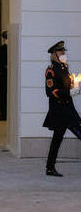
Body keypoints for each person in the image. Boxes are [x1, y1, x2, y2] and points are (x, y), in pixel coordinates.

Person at [43, 41, 81, 177]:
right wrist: (69, 93)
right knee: (59, 138)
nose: (64, 54)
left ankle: (49, 167)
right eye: (61, 52)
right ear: (54, 54)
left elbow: (68, 85)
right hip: (60, 110)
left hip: (68, 108)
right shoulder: (51, 71)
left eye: (64, 52)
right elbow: (51, 91)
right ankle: (49, 167)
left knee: (57, 139)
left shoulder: (65, 68)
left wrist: (75, 87)